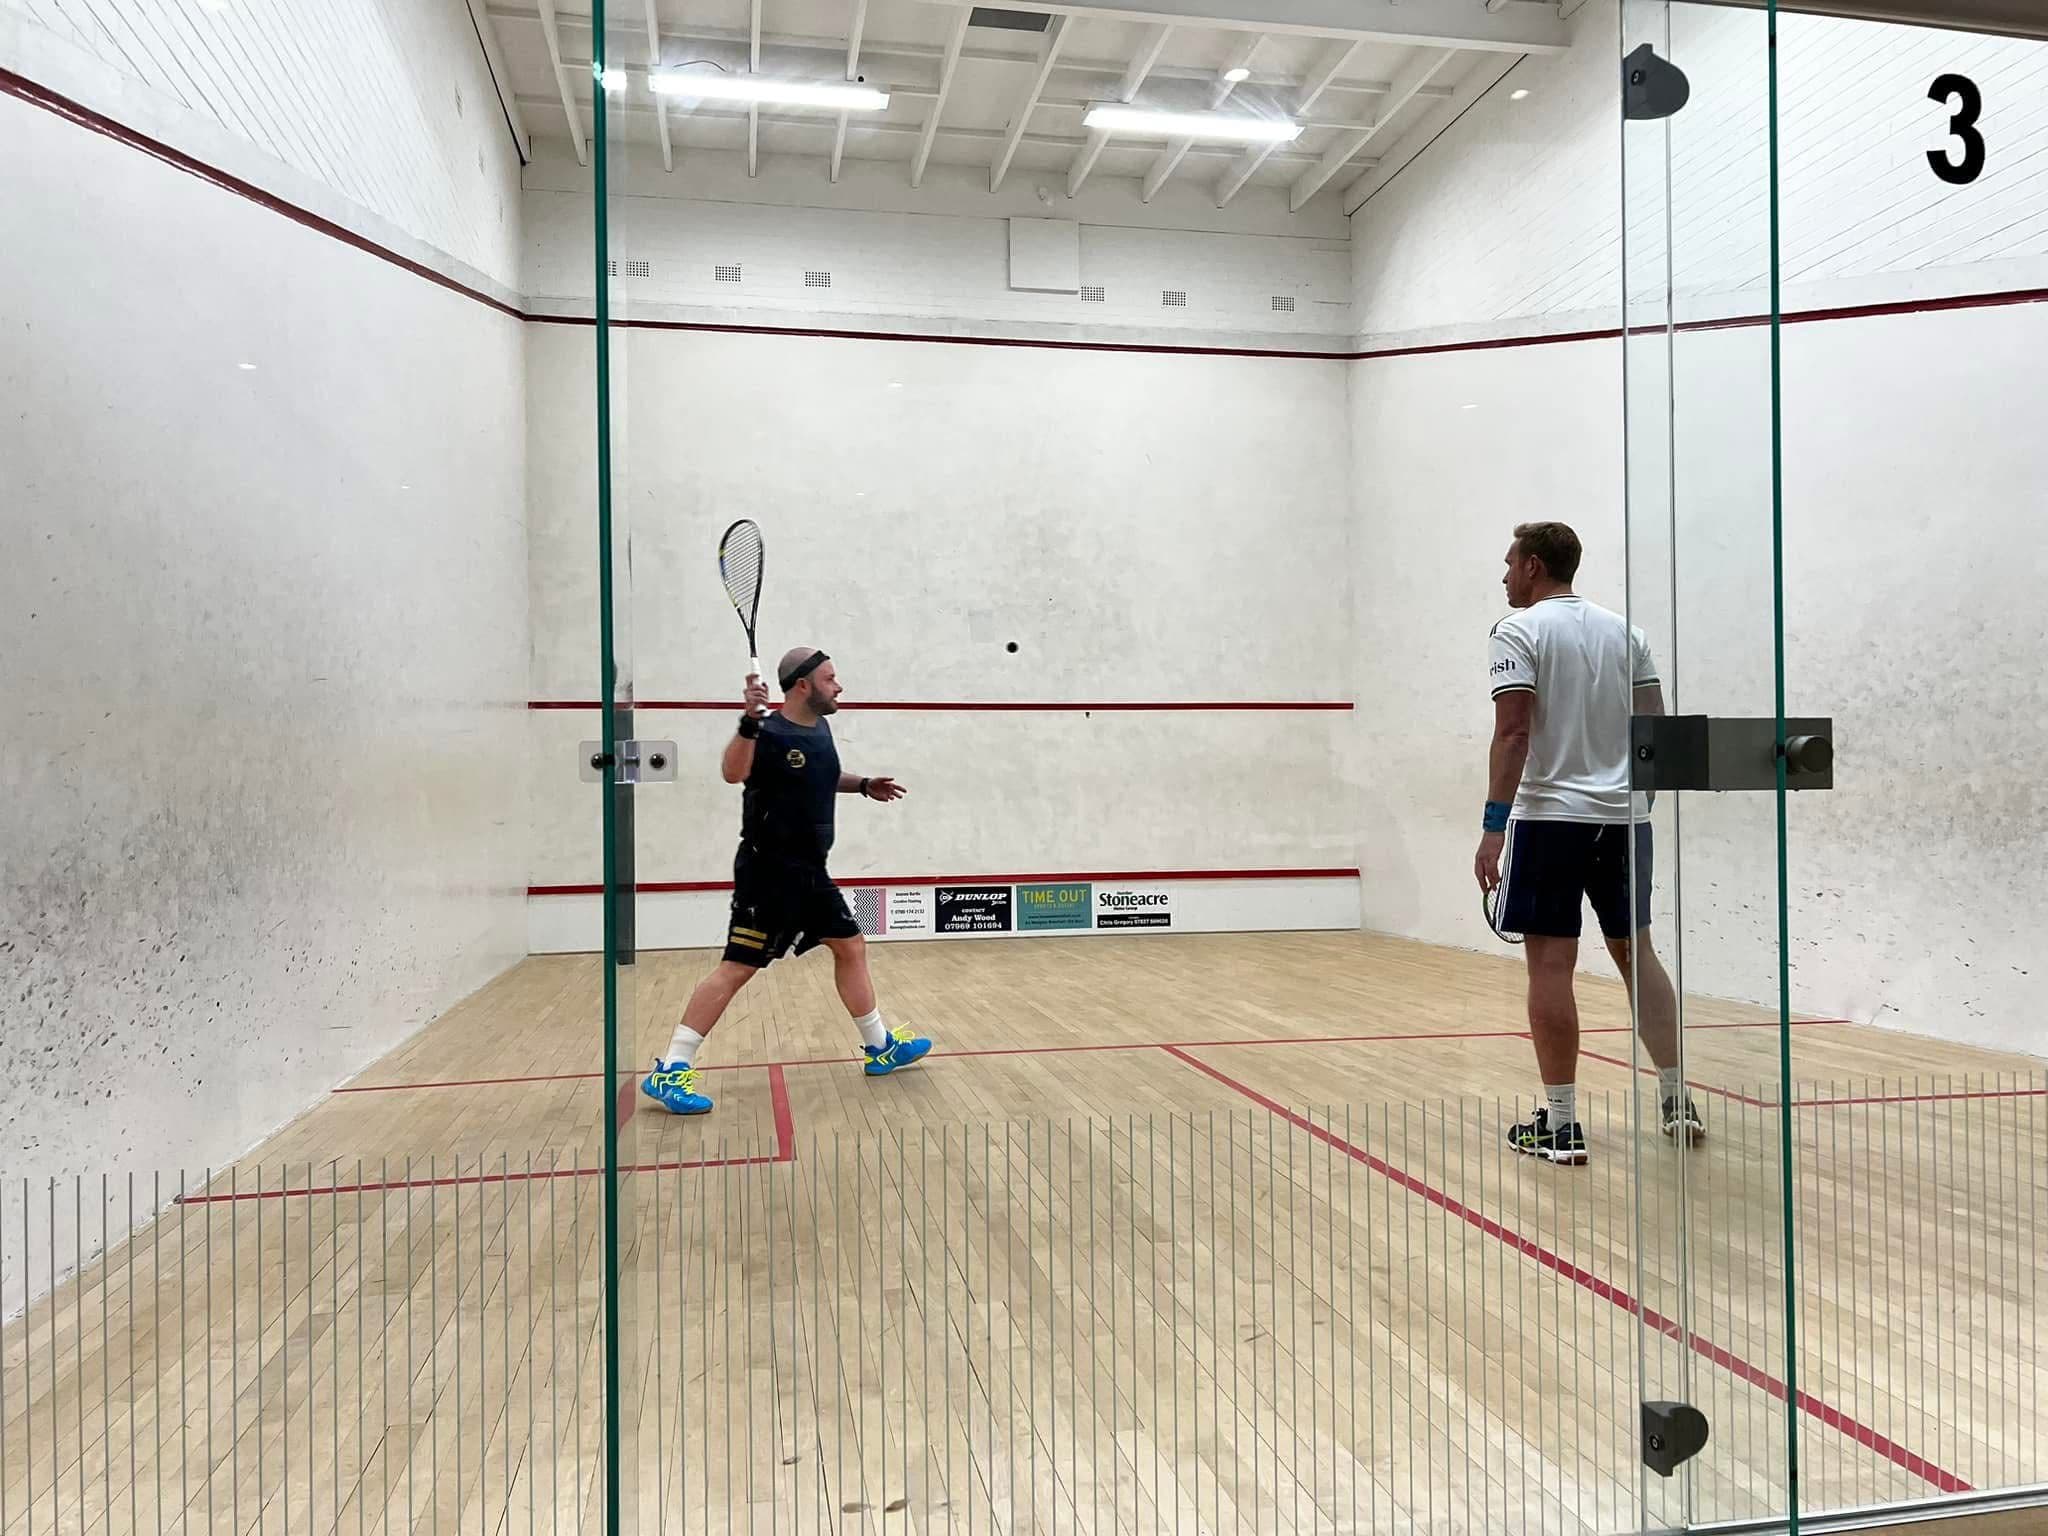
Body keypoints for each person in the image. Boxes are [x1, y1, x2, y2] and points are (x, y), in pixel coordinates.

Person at [1473, 522, 1703, 1164]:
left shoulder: (1516, 632)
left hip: (1550, 820)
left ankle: (1562, 1124)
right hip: (1626, 820)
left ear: (1534, 566)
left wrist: (1493, 828)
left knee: (1551, 965)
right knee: (1639, 955)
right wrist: (1636, 802)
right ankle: (1676, 1099)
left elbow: (1513, 735)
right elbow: (1656, 726)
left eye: (1510, 562)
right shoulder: (1626, 633)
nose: (1504, 575)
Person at [641, 646, 932, 1115]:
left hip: (810, 872)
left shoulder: (820, 728)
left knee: (850, 946)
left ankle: (879, 1046)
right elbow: (732, 772)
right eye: (830, 678)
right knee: (739, 966)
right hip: (768, 873)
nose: (839, 686)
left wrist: (861, 785)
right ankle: (671, 1067)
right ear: (803, 685)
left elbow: (822, 774)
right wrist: (748, 720)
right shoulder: (768, 732)